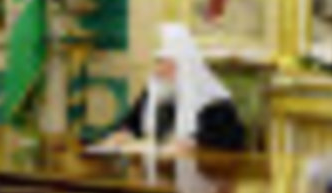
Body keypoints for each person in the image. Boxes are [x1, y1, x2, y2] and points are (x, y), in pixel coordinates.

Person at [100, 23, 246, 152]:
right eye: (157, 62)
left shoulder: (215, 104)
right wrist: (122, 134)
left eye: (164, 63)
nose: (158, 70)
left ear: (184, 67)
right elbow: (131, 124)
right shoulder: (154, 92)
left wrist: (193, 144)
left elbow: (229, 143)